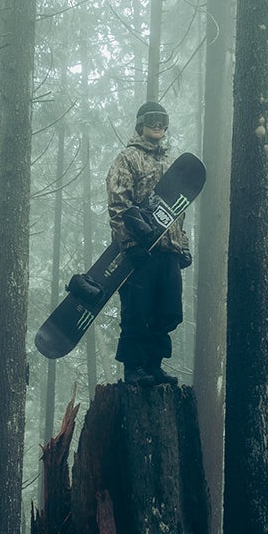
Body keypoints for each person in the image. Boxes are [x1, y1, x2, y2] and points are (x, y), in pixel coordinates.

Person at [106, 99, 191, 385]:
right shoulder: (128, 158)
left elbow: (179, 208)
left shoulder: (170, 161)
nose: (158, 125)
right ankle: (134, 368)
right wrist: (130, 245)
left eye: (163, 120)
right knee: (137, 311)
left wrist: (184, 245)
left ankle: (154, 365)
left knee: (167, 312)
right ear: (140, 124)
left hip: (168, 250)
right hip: (139, 252)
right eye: (152, 119)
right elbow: (118, 204)